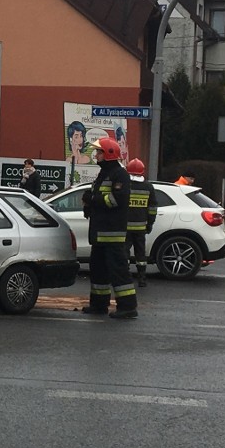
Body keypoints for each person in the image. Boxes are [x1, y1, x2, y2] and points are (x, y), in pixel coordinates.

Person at [81, 137, 138, 319]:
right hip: (99, 233)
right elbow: (100, 197)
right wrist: (88, 204)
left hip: (112, 234)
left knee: (119, 272)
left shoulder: (119, 174)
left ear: (108, 154)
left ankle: (128, 307)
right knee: (98, 270)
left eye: (98, 152)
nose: (95, 154)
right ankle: (98, 305)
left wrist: (94, 200)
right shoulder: (103, 174)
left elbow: (117, 200)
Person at [125, 158, 157, 288]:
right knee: (140, 254)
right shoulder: (148, 187)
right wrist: (150, 223)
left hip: (125, 227)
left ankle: (125, 277)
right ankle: (142, 279)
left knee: (124, 252)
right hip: (140, 227)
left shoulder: (125, 185)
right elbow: (153, 208)